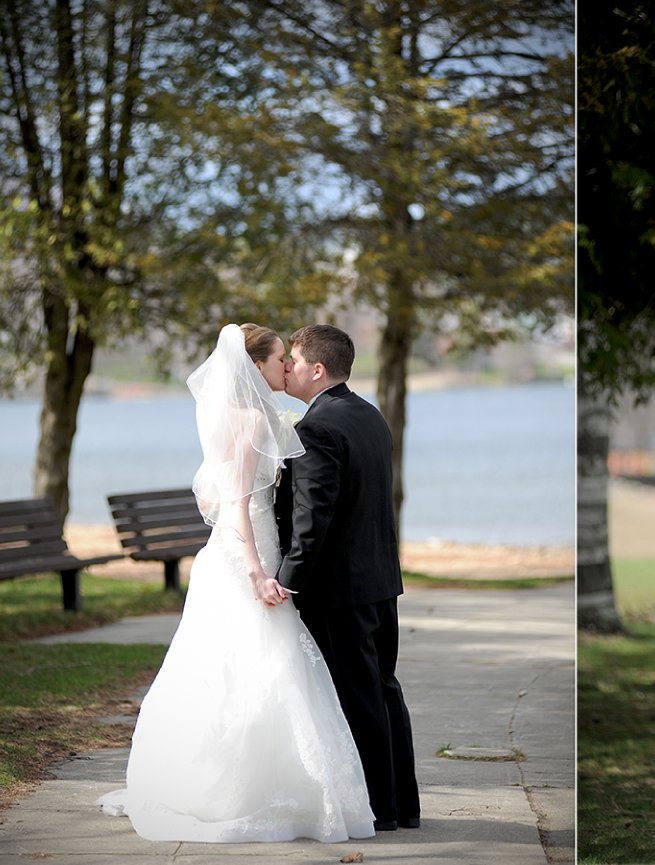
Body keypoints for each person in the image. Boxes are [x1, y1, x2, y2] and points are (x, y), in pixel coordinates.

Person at [98, 323, 375, 843]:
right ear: (256, 368)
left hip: (246, 548)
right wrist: (254, 566)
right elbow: (238, 502)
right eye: (277, 362)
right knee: (261, 663)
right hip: (248, 551)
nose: (285, 369)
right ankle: (246, 788)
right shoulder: (249, 419)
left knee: (247, 663)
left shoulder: (254, 414)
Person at [268, 324, 420, 833]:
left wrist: (288, 579)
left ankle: (378, 809)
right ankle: (402, 806)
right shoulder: (369, 415)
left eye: (293, 358)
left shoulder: (315, 428)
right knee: (384, 690)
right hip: (380, 580)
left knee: (356, 697)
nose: (286, 366)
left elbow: (315, 515)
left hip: (340, 589)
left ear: (317, 369)